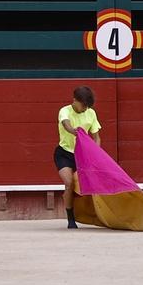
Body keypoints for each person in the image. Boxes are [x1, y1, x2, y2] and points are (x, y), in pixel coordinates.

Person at [55, 86, 101, 229]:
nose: (85, 108)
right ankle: (70, 219)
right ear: (75, 100)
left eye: (87, 106)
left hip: (83, 155)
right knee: (69, 183)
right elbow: (66, 124)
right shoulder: (65, 111)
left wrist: (96, 154)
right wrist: (76, 132)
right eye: (83, 105)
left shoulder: (91, 113)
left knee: (88, 184)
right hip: (64, 153)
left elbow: (97, 138)